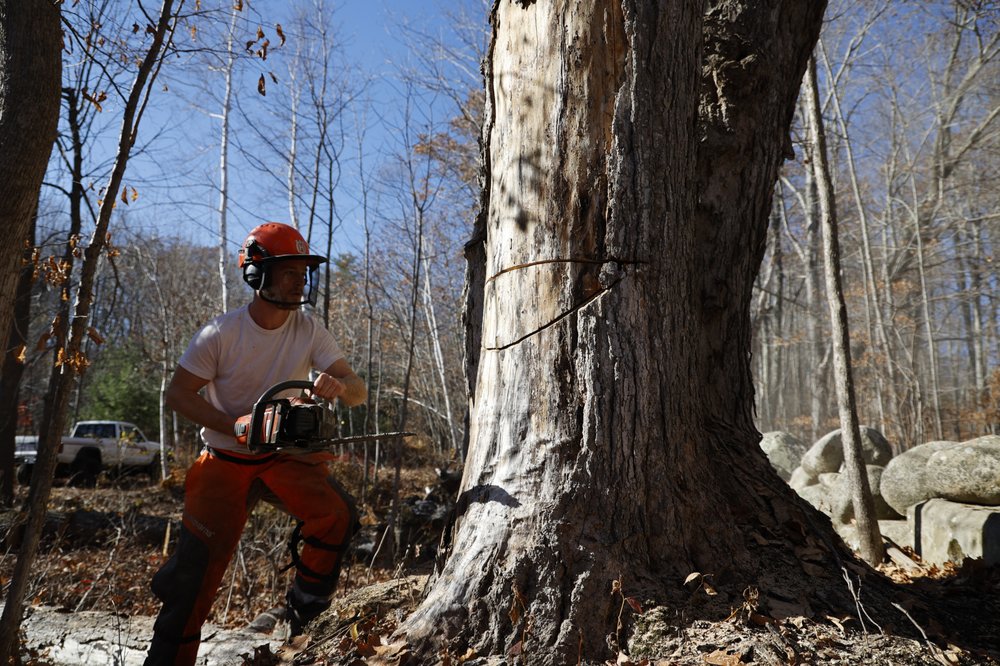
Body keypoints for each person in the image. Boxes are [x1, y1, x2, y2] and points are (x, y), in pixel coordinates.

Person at [144, 222, 366, 666]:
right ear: (257, 273)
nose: (299, 281)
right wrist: (235, 426)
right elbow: (178, 395)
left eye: (303, 272)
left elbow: (358, 391)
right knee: (193, 575)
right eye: (289, 272)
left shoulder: (309, 329)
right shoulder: (221, 333)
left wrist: (339, 385)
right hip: (225, 459)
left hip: (283, 458)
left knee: (337, 516)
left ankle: (305, 623)